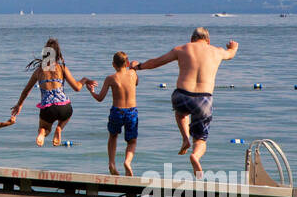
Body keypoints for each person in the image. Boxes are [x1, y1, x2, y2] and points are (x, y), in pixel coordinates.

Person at [131, 28, 238, 178]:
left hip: (181, 96)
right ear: (208, 40)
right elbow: (231, 55)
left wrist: (139, 66)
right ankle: (195, 155)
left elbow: (155, 62)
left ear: (191, 39)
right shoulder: (217, 51)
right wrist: (233, 47)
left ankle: (185, 138)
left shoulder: (181, 49)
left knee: (181, 113)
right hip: (204, 99)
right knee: (201, 139)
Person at [11, 38, 85, 147]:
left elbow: (26, 91)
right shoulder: (62, 68)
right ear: (57, 54)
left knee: (45, 129)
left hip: (48, 109)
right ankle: (59, 128)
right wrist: (84, 80)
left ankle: (42, 132)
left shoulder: (39, 71)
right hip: (64, 107)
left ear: (45, 54)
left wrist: (19, 105)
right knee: (68, 114)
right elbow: (77, 88)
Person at [84, 52, 139, 176]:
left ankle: (112, 163)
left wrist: (91, 91)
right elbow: (136, 83)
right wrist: (133, 68)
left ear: (113, 64)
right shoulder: (133, 74)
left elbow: (100, 98)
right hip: (131, 111)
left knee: (113, 136)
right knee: (132, 141)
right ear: (127, 63)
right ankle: (127, 162)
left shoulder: (111, 78)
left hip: (117, 111)